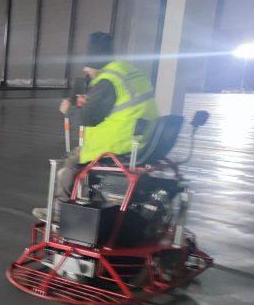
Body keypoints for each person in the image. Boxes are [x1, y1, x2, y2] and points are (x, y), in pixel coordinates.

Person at [32, 32, 159, 222]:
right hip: (144, 139)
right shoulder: (126, 70)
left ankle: (58, 209)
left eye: (88, 68)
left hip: (122, 142)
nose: (87, 72)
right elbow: (118, 105)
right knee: (78, 155)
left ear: (95, 64)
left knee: (72, 161)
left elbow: (88, 117)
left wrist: (68, 110)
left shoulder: (107, 80)